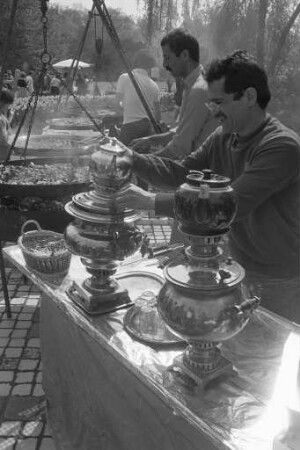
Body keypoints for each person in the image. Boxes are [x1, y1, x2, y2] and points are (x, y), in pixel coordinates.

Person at [115, 51, 300, 323]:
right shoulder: (223, 137)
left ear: (249, 97)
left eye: (219, 102)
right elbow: (181, 172)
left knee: (265, 357)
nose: (212, 111)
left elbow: (228, 206)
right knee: (234, 343)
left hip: (277, 277)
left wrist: (150, 201)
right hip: (237, 264)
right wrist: (133, 160)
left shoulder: (280, 146)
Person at [130, 28, 217, 160]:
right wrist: (150, 140)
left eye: (167, 57)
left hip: (202, 173)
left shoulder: (199, 91)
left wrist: (135, 160)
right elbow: (182, 131)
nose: (165, 64)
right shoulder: (191, 86)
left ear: (184, 55)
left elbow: (179, 149)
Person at [115, 49, 161, 146]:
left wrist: (125, 110)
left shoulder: (124, 77)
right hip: (147, 128)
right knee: (142, 158)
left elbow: (116, 105)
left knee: (124, 158)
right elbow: (157, 117)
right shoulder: (154, 85)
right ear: (150, 66)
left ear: (136, 62)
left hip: (129, 127)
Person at [0, 88, 15, 161]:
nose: (8, 107)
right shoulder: (1, 118)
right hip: (2, 155)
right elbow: (3, 139)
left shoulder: (2, 116)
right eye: (8, 104)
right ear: (2, 102)